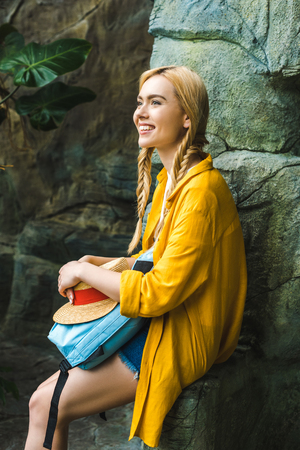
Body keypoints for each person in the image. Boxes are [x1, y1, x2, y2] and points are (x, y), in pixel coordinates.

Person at [24, 65, 247, 450]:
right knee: (43, 403)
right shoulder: (171, 178)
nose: (140, 113)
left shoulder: (201, 193)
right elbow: (155, 257)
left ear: (187, 118)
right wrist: (102, 262)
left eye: (156, 103)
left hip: (177, 332)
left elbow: (159, 292)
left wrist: (82, 271)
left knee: (45, 404)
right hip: (159, 320)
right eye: (139, 102)